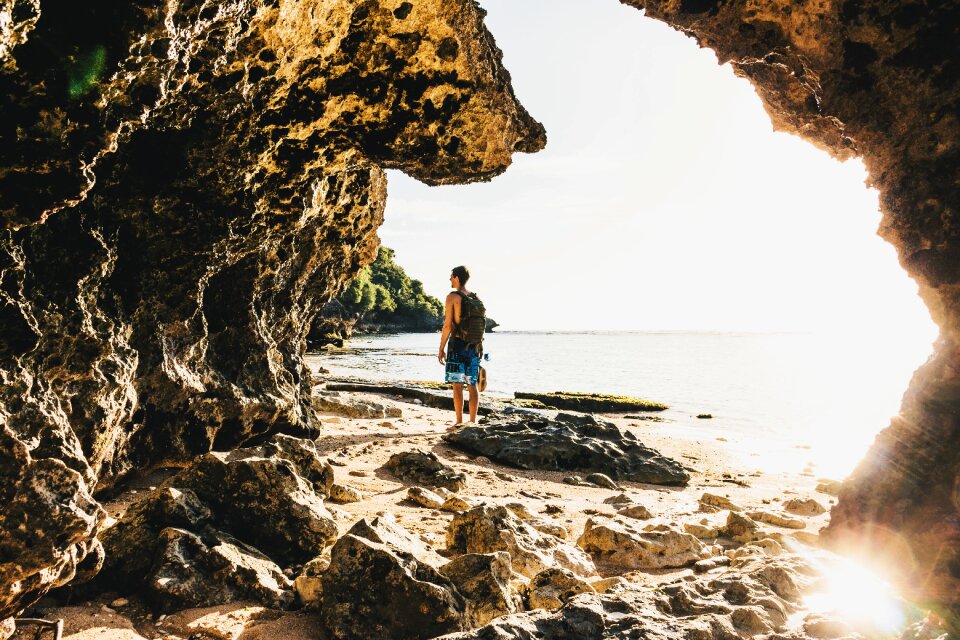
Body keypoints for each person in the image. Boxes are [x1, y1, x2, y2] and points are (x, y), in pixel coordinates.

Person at [438, 265, 481, 429]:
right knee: (472, 385)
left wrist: (441, 348)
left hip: (457, 346)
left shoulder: (452, 297)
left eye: (451, 276)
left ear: (456, 277)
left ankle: (458, 422)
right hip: (474, 347)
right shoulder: (475, 298)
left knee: (457, 385)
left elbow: (447, 325)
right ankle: (473, 422)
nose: (449, 279)